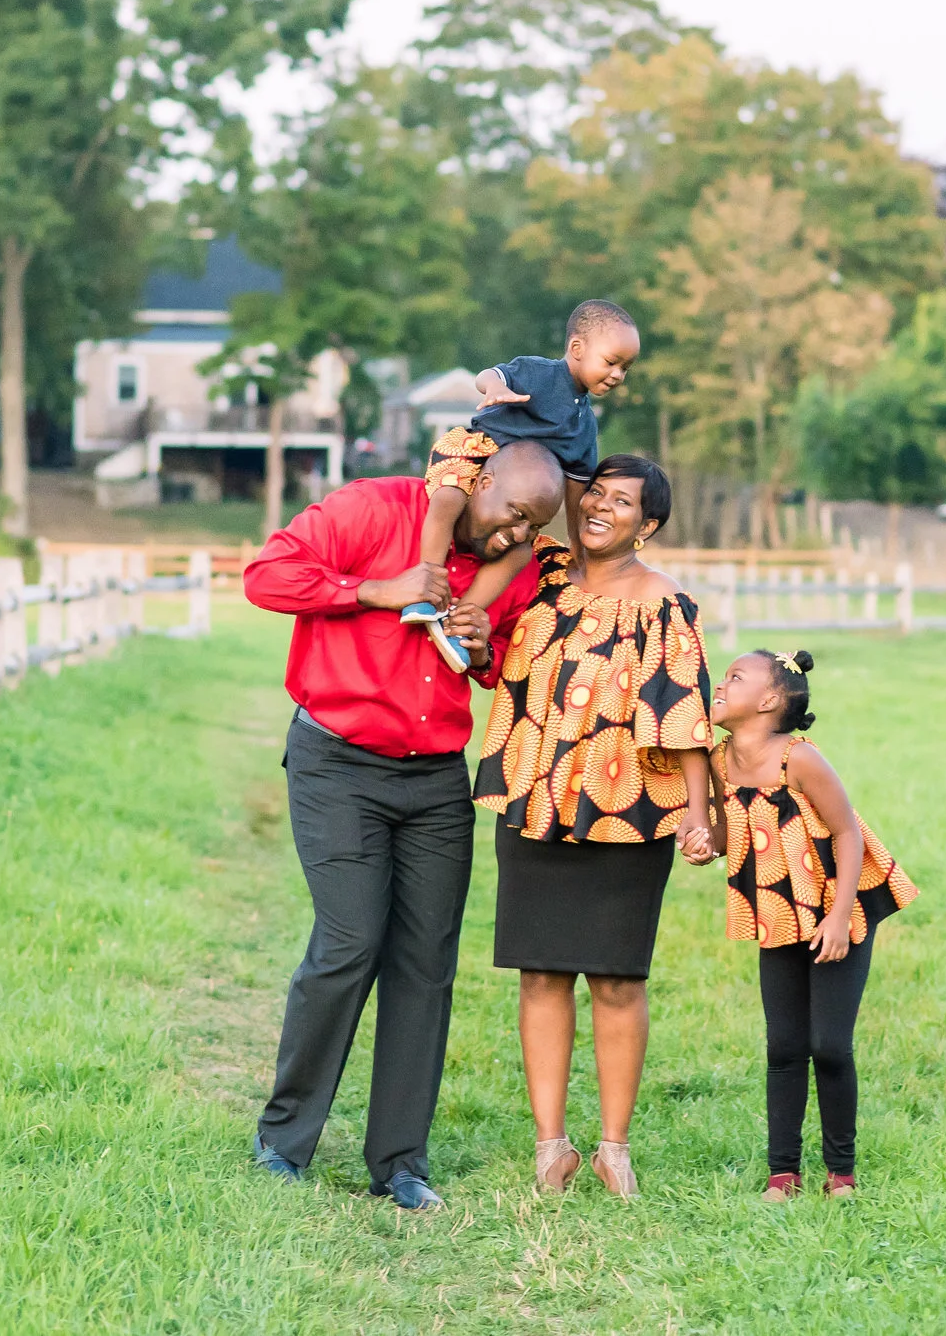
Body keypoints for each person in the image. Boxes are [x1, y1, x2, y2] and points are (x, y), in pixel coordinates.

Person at [240, 442, 565, 1210]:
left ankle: (399, 1163)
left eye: (533, 526)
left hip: (434, 778)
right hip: (338, 761)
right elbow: (266, 576)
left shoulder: (508, 568)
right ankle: (283, 1140)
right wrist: (373, 589)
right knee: (349, 940)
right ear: (477, 483)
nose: (516, 535)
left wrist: (489, 649)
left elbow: (493, 665)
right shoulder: (373, 507)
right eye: (513, 513)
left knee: (424, 964)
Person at [466, 453, 713, 1199]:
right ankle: (551, 1148)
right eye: (596, 494)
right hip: (536, 800)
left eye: (623, 501)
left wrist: (699, 817)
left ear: (651, 525)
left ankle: (613, 1148)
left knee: (615, 977)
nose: (601, 507)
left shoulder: (666, 605)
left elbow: (688, 718)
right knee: (540, 970)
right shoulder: (539, 574)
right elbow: (513, 463)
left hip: (630, 812)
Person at [688, 649, 918, 1201]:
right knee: (784, 1047)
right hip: (776, 912)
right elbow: (733, 830)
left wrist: (839, 919)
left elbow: (848, 835)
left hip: (840, 906)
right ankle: (782, 1174)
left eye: (735, 678)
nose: (721, 684)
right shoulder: (721, 762)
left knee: (830, 1045)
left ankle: (841, 1172)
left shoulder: (801, 759)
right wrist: (705, 843)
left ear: (768, 701)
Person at [398, 300, 641, 671]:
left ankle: (458, 620)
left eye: (625, 368)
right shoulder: (539, 373)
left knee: (519, 552)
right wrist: (494, 388)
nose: (618, 375)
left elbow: (576, 493)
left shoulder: (585, 426)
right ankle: (426, 590)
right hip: (477, 456)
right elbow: (487, 375)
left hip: (518, 500)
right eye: (611, 362)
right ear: (577, 349)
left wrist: (581, 555)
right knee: (448, 499)